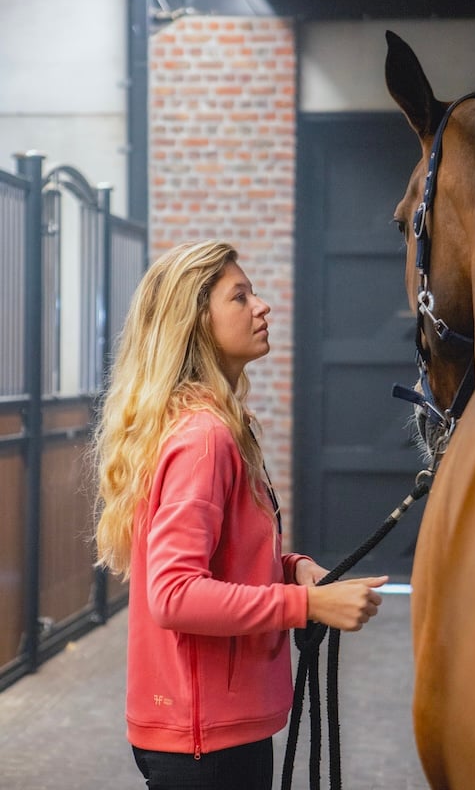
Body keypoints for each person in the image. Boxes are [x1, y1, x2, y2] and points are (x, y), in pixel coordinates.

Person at [94, 240, 387, 790]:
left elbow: (221, 558)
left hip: (206, 731)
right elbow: (175, 593)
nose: (261, 306)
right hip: (205, 744)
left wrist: (291, 567)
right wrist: (308, 604)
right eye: (240, 296)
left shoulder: (211, 427)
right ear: (197, 322)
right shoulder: (204, 438)